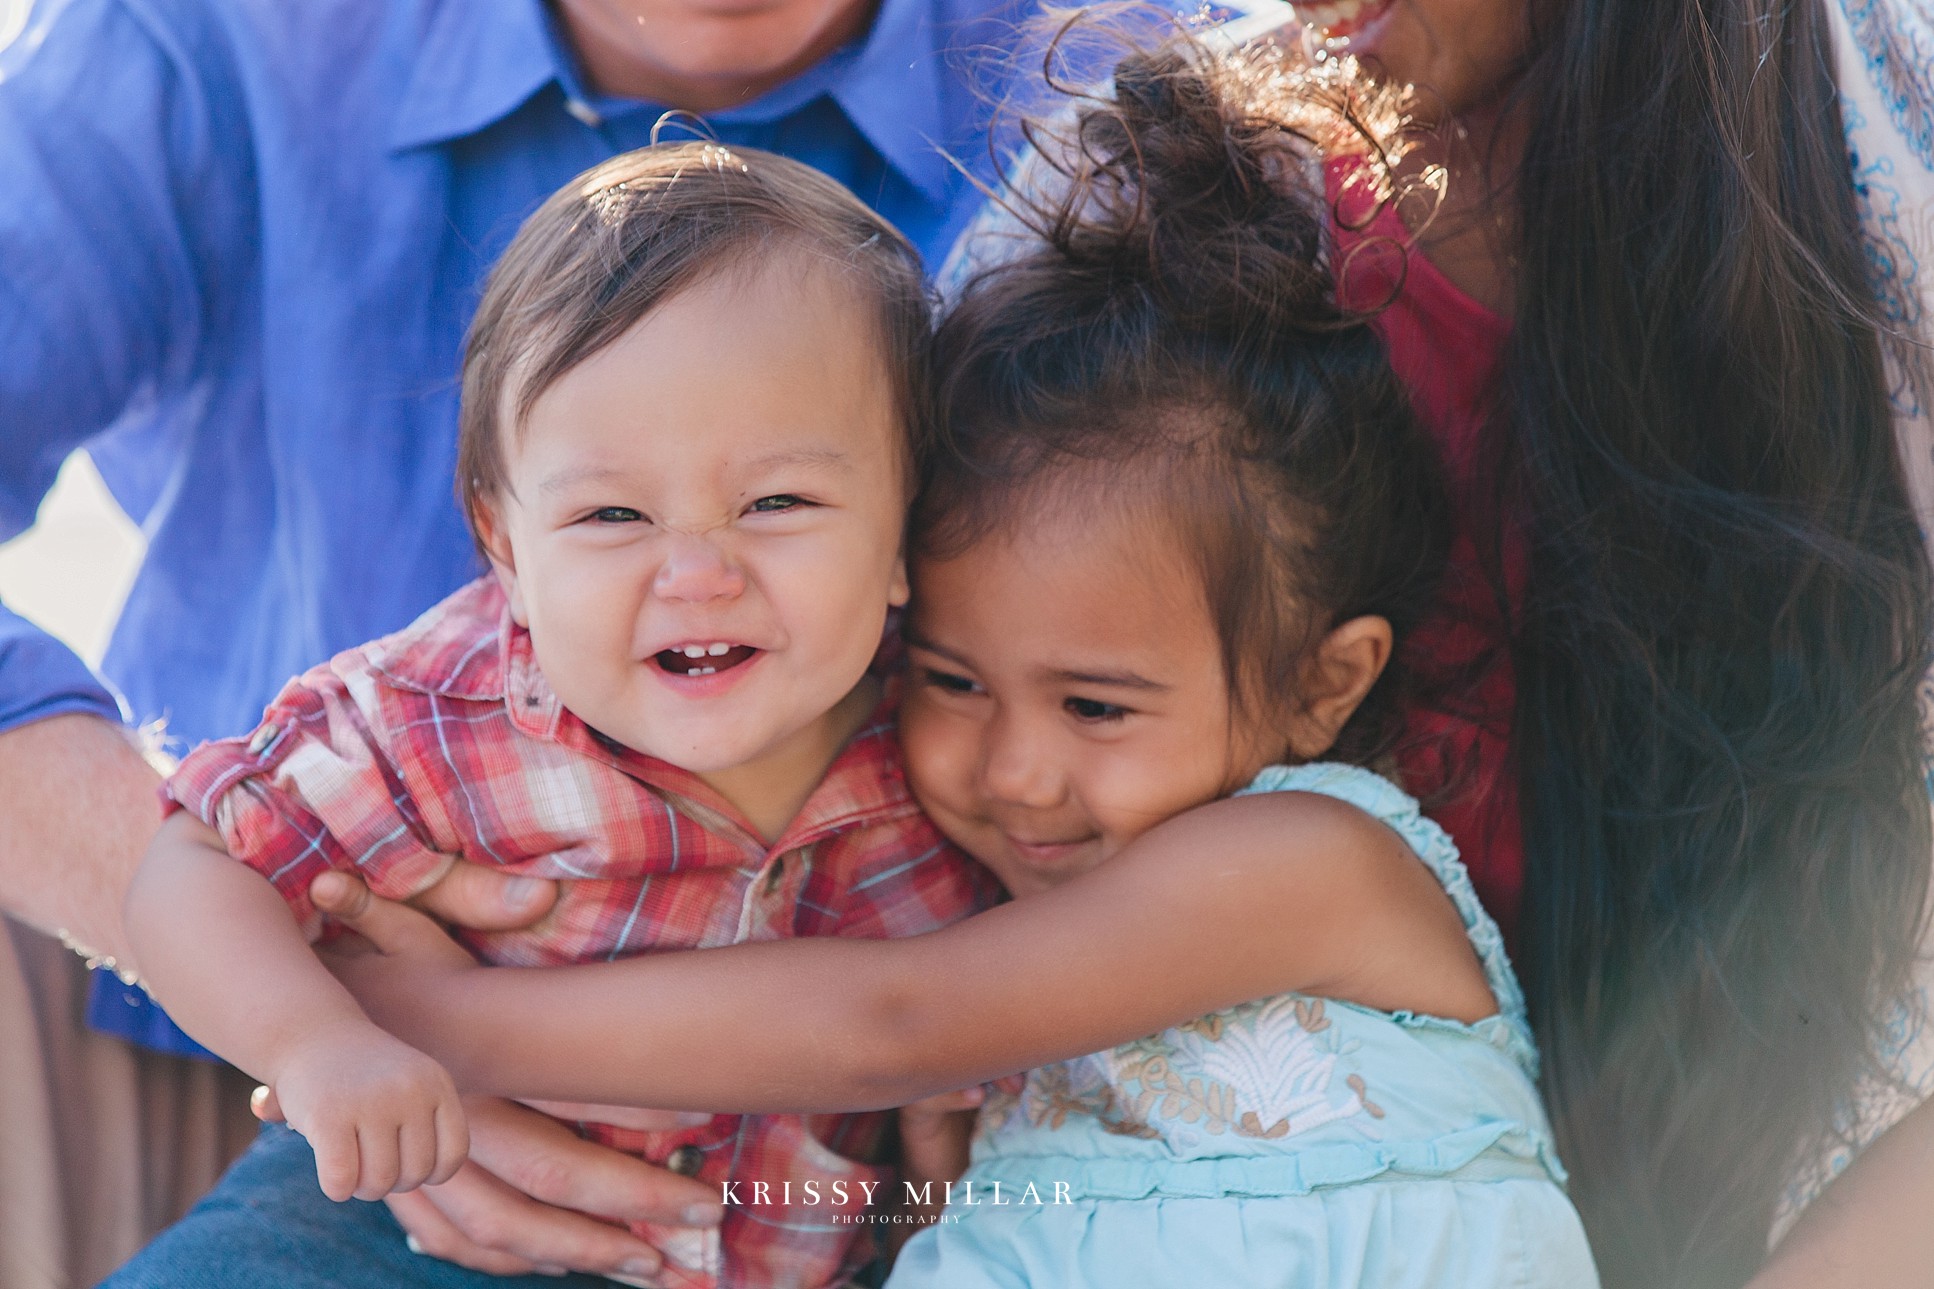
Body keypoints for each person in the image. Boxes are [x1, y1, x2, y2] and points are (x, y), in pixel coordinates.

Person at [233, 36, 1600, 1288]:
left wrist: (418, 1016)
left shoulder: (1316, 860)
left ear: (1324, 681)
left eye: (1097, 703)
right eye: (948, 678)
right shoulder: (970, 896)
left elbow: (890, 1019)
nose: (1011, 768)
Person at [0, 0, 1060, 1281]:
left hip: (815, 1220)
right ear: (500, 544)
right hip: (368, 1165)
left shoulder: (944, 730)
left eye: (777, 503)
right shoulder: (441, 716)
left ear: (907, 530)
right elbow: (195, 861)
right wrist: (317, 1031)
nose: (697, 569)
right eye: (612, 513)